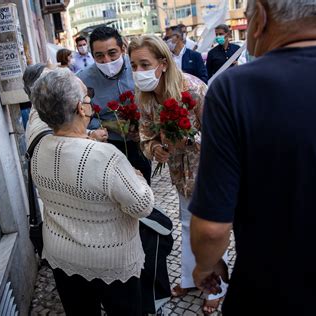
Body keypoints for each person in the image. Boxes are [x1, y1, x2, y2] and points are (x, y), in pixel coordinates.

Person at [189, 0, 316, 315]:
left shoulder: (235, 89)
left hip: (272, 297)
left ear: (261, 14)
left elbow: (213, 229)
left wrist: (205, 266)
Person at [28, 68, 154, 316]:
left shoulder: (38, 147)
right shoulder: (105, 156)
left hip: (62, 257)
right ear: (80, 108)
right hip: (111, 260)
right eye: (87, 98)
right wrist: (138, 179)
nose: (90, 102)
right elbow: (142, 206)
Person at [129, 35, 227, 315]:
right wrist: (156, 149)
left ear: (163, 63)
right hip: (179, 175)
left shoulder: (193, 90)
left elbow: (219, 137)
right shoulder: (146, 98)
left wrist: (188, 138)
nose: (139, 72)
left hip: (208, 171)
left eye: (144, 64)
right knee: (186, 225)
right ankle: (190, 279)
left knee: (208, 231)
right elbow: (146, 137)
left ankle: (215, 287)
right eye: (134, 65)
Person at [77, 26, 152, 183]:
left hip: (141, 142)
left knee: (143, 187)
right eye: (99, 56)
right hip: (107, 146)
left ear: (122, 49)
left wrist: (144, 126)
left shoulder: (138, 67)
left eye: (112, 53)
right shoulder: (82, 80)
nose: (107, 60)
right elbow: (80, 116)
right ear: (92, 55)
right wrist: (108, 124)